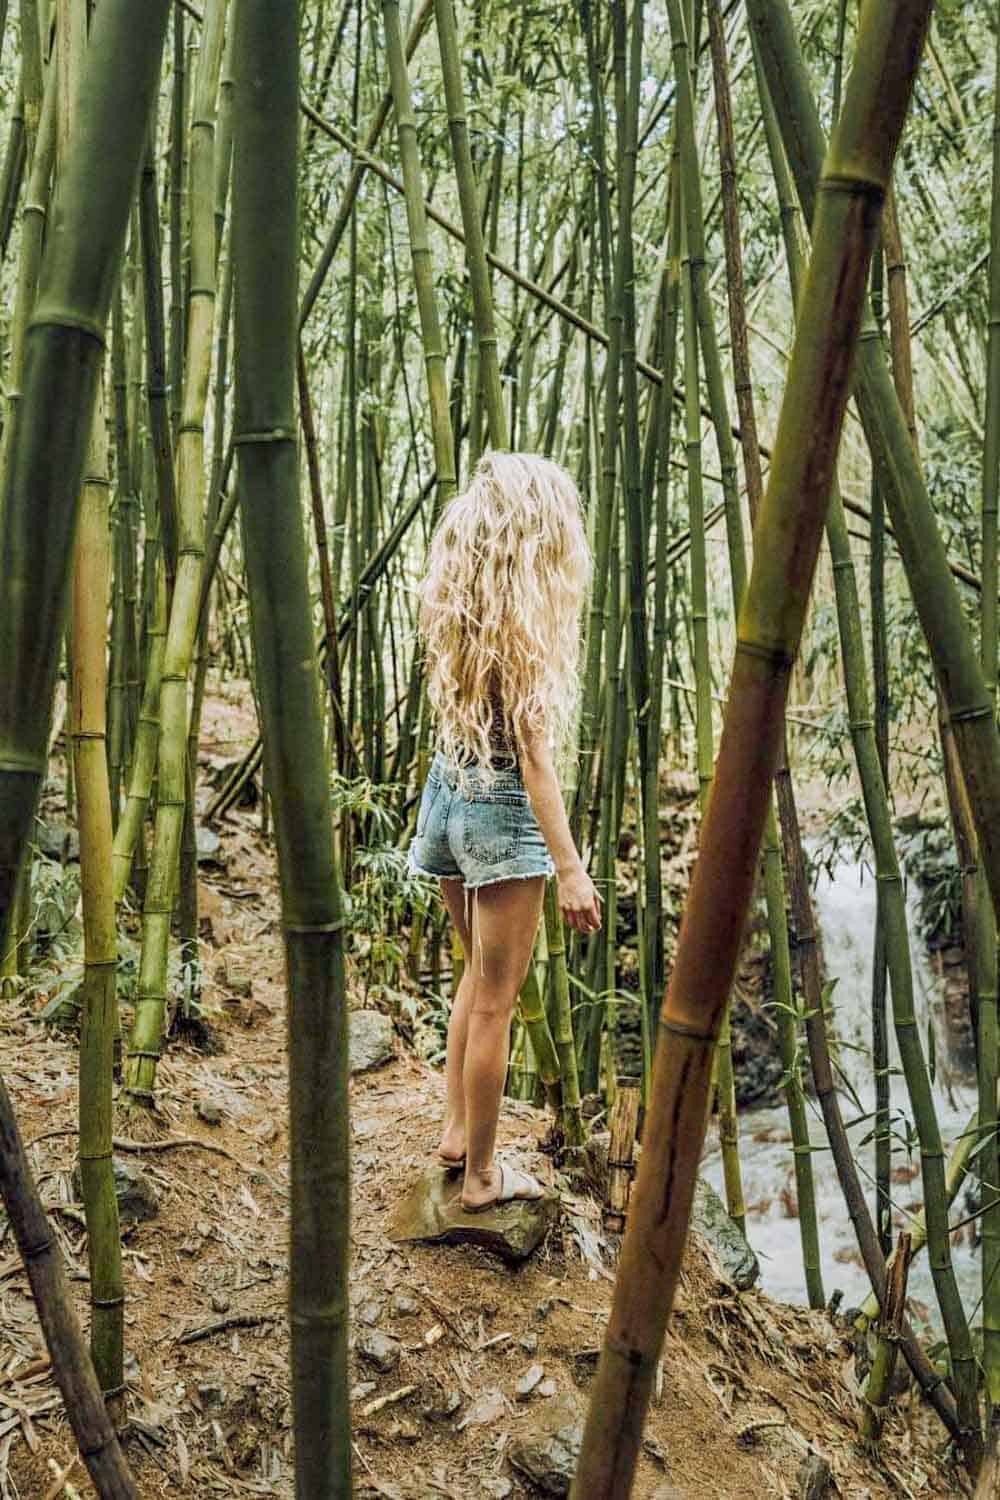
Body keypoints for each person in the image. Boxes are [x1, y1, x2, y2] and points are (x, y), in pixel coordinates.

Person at [406, 450, 602, 1213]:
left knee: (473, 982)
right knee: (496, 1002)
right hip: (500, 819)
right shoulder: (525, 635)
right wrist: (572, 868)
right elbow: (535, 764)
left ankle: (457, 1134)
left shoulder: (463, 614)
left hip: (449, 797)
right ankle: (484, 1176)